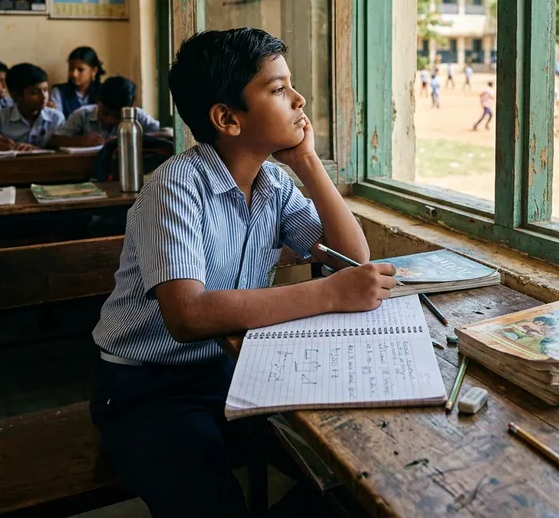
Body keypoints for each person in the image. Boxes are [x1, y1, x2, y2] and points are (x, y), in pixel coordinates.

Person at [89, 28, 397, 517]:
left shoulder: (272, 181)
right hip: (148, 387)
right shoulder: (174, 187)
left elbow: (351, 257)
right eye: (277, 89)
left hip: (232, 368)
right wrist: (329, 294)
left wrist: (309, 162)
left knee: (353, 477)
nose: (298, 100)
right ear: (227, 118)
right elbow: (187, 315)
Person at [0, 63, 64, 151]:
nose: (44, 97)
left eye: (45, 90)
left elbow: (63, 149)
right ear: (15, 95)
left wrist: (37, 150)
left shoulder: (56, 117)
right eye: (35, 92)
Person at [48, 76, 162, 148]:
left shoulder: (136, 115)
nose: (109, 120)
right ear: (98, 101)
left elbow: (168, 133)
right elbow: (54, 140)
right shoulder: (82, 115)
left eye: (117, 116)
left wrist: (133, 137)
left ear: (130, 108)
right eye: (105, 113)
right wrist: (81, 141)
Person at [50, 46, 105, 118]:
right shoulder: (59, 92)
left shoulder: (104, 91)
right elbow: (57, 123)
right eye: (71, 69)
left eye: (80, 70)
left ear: (94, 71)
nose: (74, 74)